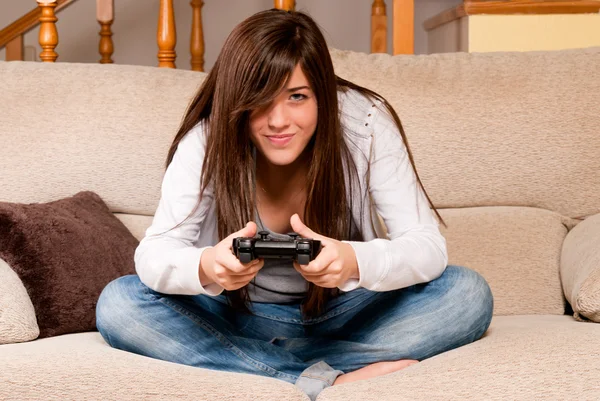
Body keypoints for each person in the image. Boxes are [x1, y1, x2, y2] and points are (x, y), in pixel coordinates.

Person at [96, 8, 493, 401]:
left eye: (297, 97)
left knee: (467, 293)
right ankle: (323, 376)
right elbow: (154, 255)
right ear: (238, 98)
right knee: (119, 304)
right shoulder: (207, 139)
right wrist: (208, 265)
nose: (278, 121)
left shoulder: (365, 123)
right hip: (234, 315)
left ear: (322, 93)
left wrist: (352, 261)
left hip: (343, 315)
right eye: (261, 100)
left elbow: (427, 246)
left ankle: (253, 363)